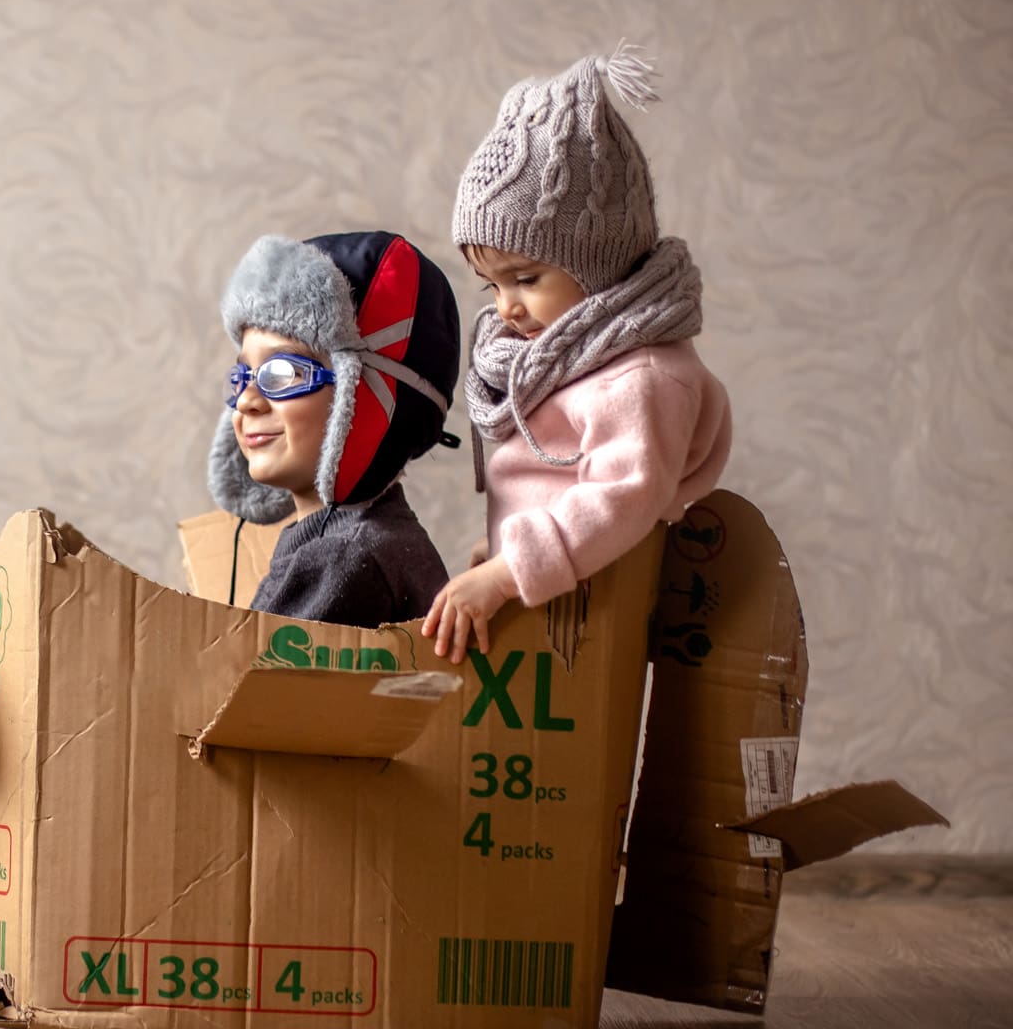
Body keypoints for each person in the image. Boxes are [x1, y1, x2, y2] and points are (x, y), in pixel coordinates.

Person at [422, 42, 733, 662]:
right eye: (493, 285)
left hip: (599, 601)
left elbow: (624, 496)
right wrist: (504, 558)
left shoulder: (641, 377)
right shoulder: (561, 362)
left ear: (597, 263)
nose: (505, 307)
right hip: (555, 587)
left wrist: (511, 573)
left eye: (527, 279)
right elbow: (546, 481)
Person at [207, 230, 462, 627]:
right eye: (245, 375)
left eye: (282, 372)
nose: (246, 401)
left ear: (362, 402)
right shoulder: (348, 541)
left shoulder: (345, 557)